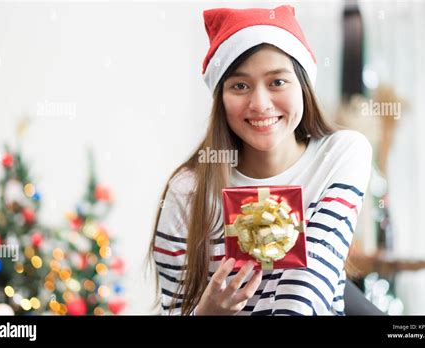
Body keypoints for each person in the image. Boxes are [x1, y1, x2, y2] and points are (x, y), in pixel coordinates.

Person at [149, 5, 372, 315]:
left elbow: (307, 288)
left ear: (303, 87)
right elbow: (172, 307)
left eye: (277, 82)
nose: (260, 104)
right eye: (240, 86)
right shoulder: (188, 190)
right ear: (220, 98)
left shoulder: (340, 155)